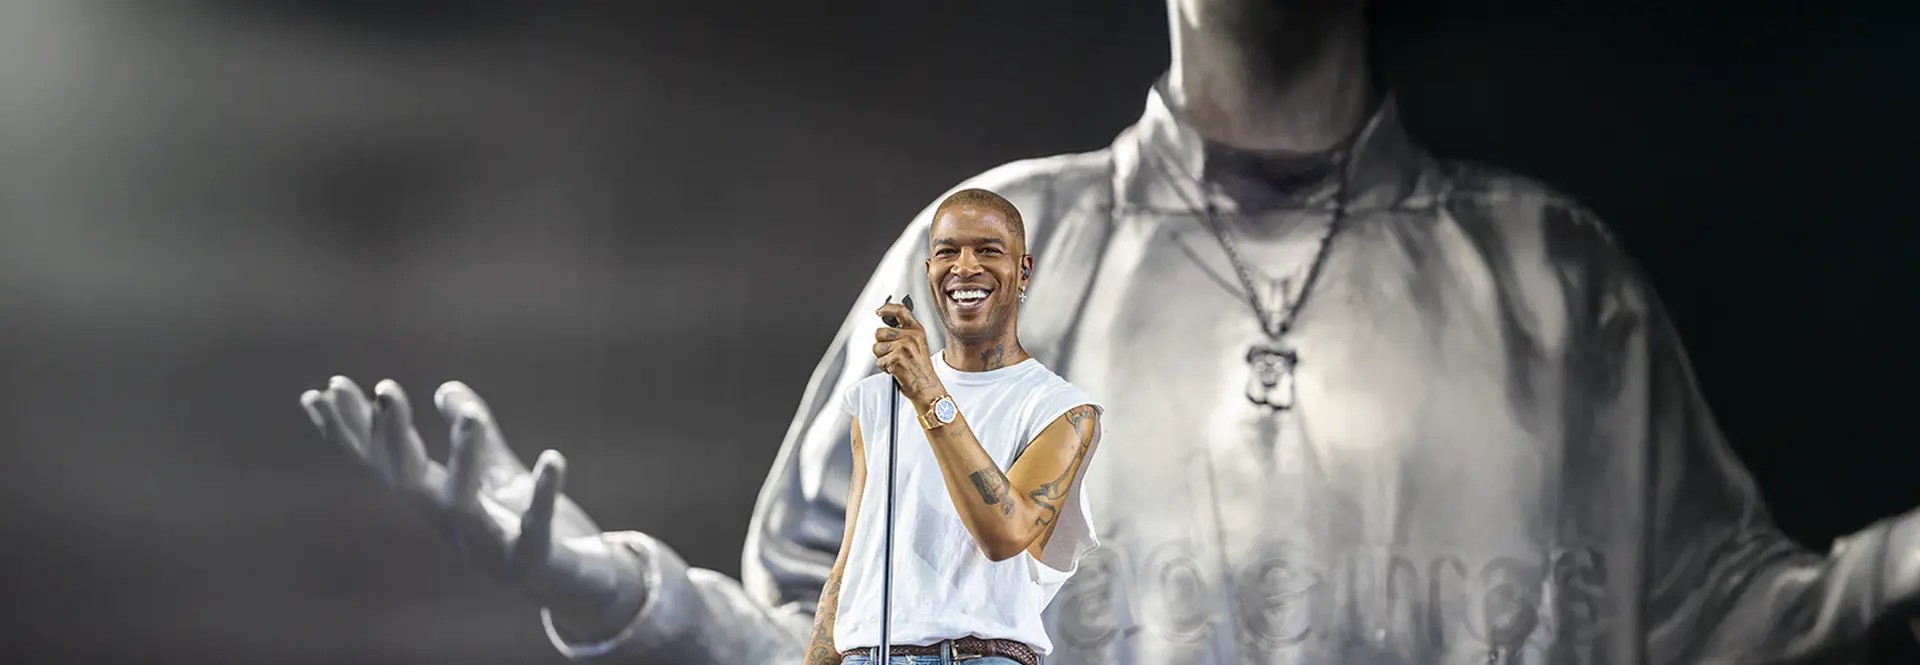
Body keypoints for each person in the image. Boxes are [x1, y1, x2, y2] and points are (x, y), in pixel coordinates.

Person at [297, 1, 1920, 663]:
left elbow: (1730, 630)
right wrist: (627, 596)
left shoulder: (1557, 293)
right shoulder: (987, 267)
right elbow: (824, 646)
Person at [804, 188, 1105, 665]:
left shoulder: (1062, 410)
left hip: (977, 656)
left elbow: (1004, 535)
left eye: (988, 250)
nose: (965, 266)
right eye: (948, 252)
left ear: (1023, 270)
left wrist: (928, 393)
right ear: (929, 272)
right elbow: (850, 564)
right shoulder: (877, 400)